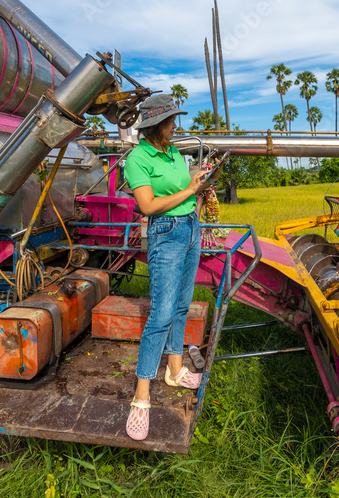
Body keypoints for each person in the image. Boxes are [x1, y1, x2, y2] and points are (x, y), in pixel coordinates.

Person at [122, 94, 211, 441]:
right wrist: (189, 188)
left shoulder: (173, 152)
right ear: (155, 125)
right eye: (171, 121)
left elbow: (181, 189)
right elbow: (148, 205)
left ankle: (174, 371)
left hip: (190, 228)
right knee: (160, 314)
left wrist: (198, 183)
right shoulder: (137, 159)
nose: (176, 126)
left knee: (181, 305)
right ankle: (141, 399)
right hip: (166, 233)